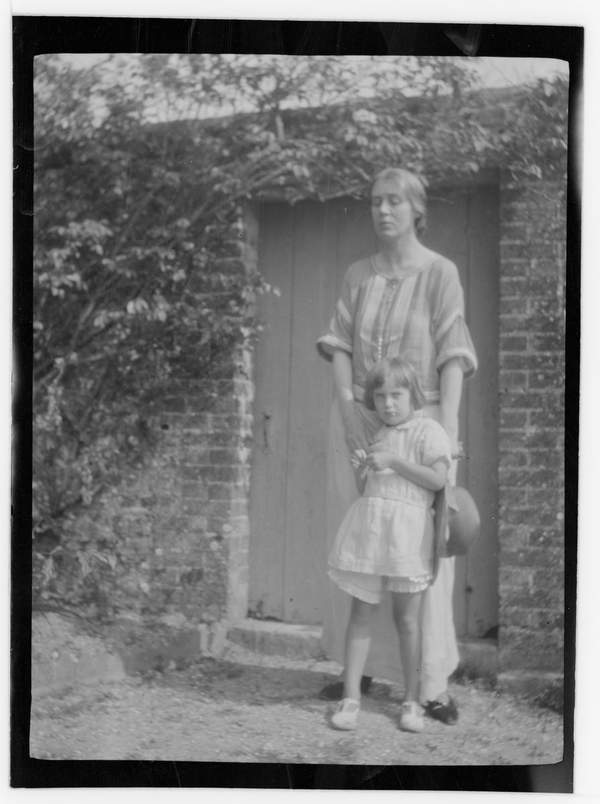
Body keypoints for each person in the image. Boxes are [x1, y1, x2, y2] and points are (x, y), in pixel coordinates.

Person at [317, 166, 477, 724]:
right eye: (375, 202)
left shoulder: (441, 273)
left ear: (416, 210)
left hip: (423, 423)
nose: (383, 211)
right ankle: (353, 674)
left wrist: (447, 435)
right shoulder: (359, 274)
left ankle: (429, 687)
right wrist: (345, 409)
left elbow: (453, 354)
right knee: (359, 545)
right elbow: (338, 343)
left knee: (421, 555)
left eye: (394, 202)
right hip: (360, 425)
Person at [328, 357, 451, 732]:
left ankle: (412, 701)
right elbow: (370, 489)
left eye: (396, 395)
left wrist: (394, 462)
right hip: (372, 533)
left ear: (412, 394)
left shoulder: (428, 430)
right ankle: (350, 698)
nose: (388, 404)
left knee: (408, 621)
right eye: (380, 396)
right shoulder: (378, 433)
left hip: (407, 539)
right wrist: (363, 469)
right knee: (360, 615)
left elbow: (437, 480)